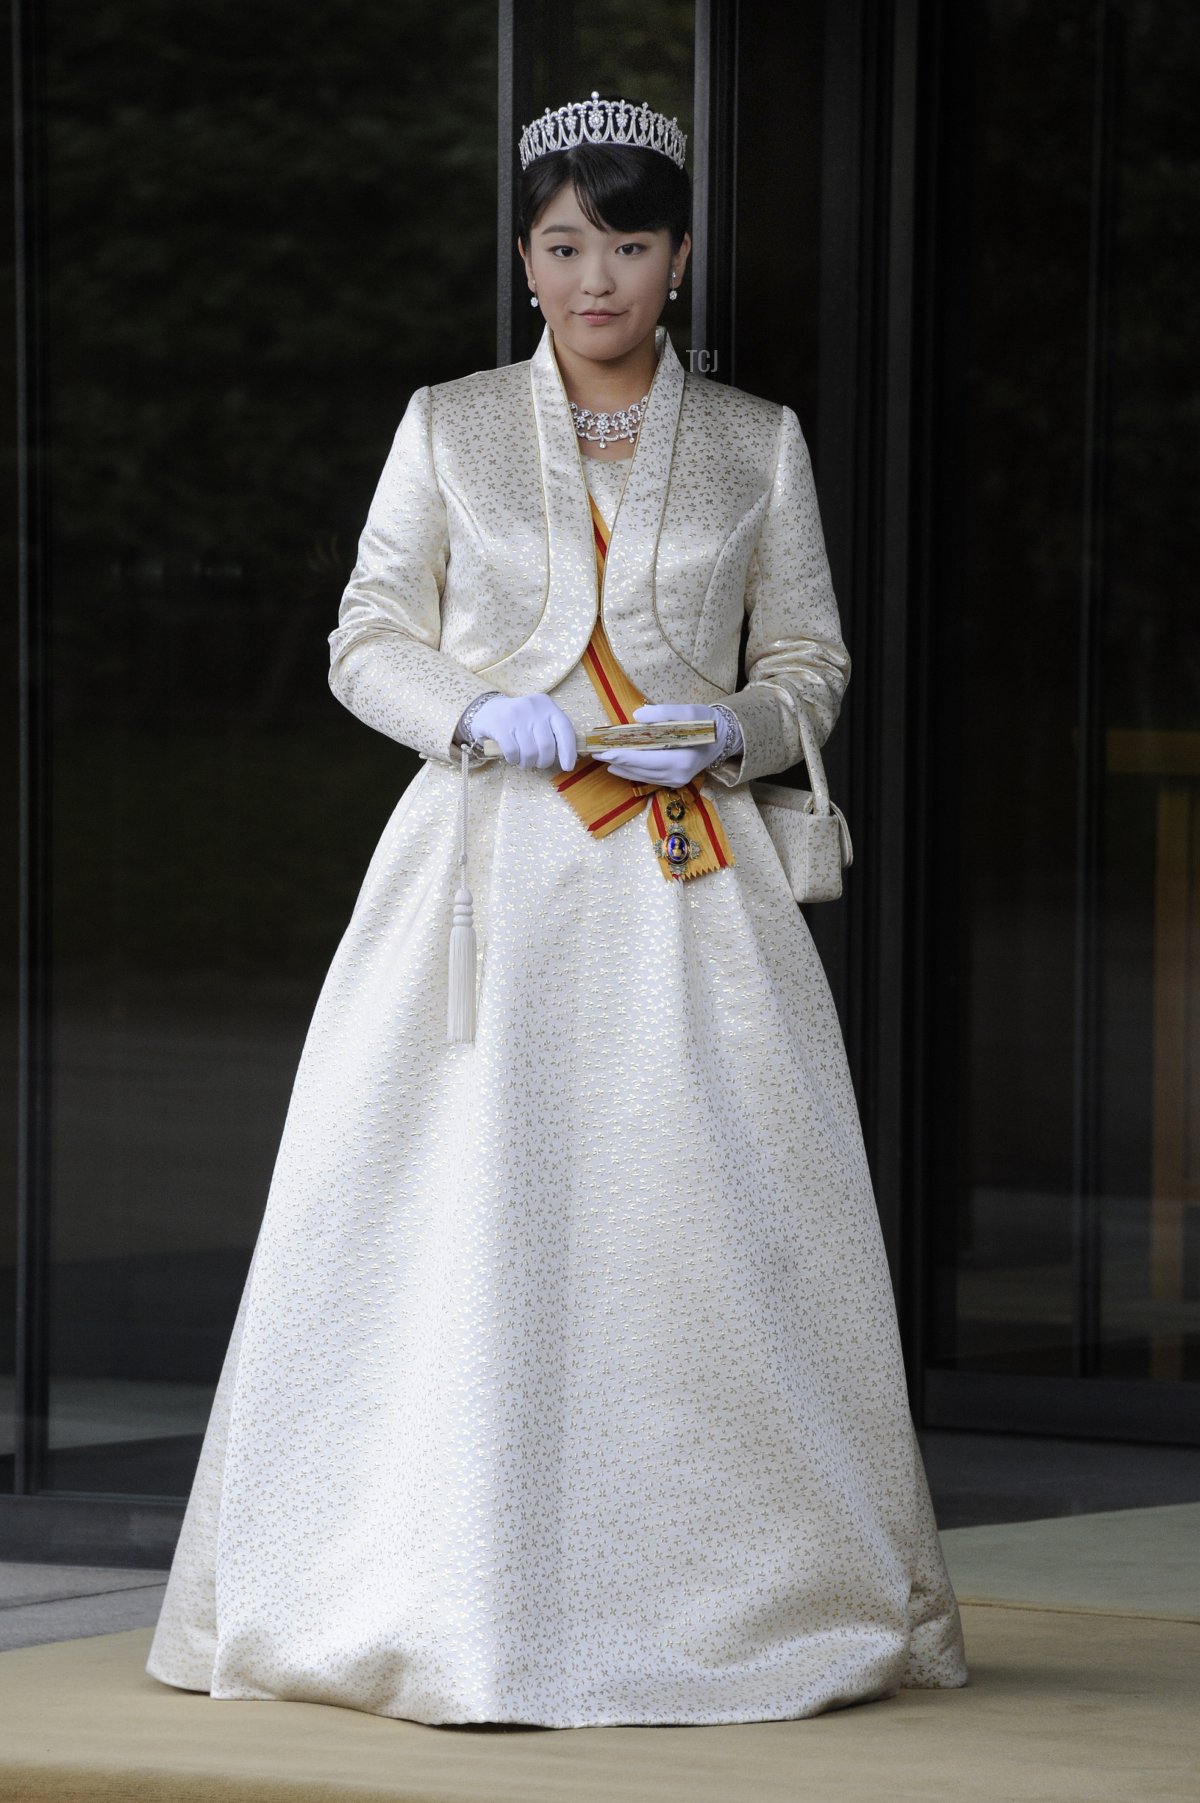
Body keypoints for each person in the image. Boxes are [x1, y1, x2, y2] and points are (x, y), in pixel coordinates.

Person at [145, 89, 969, 1728]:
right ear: (525, 256)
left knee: (706, 1231)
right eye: (565, 244)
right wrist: (470, 710)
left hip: (686, 885)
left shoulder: (758, 441)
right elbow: (365, 631)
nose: (598, 281)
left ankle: (747, 1597)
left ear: (680, 255)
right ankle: (437, 1594)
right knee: (457, 1225)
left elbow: (810, 658)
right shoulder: (448, 425)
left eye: (632, 244)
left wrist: (739, 725)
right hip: (486, 877)